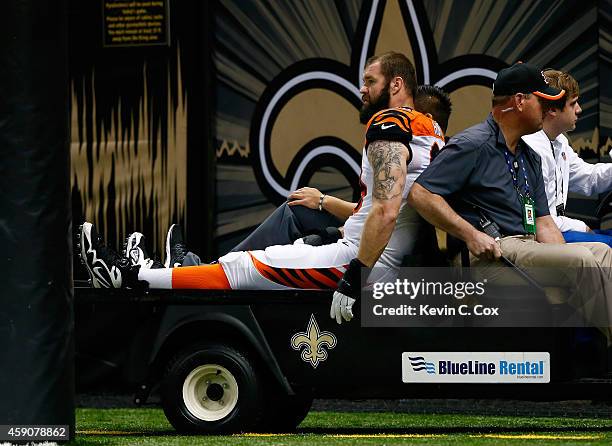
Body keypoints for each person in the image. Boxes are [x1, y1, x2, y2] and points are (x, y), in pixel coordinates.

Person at [79, 52, 445, 325]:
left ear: (396, 84)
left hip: (360, 262)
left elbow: (386, 210)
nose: (362, 90)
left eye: (370, 81)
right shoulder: (429, 129)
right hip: (366, 254)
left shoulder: (390, 123)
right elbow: (381, 210)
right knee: (272, 248)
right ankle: (164, 271)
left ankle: (133, 277)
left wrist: (353, 277)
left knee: (241, 267)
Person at [407, 62, 612, 341]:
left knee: (602, 253)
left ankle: (592, 352)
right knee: (584, 260)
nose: (548, 109)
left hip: (527, 248)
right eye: (542, 101)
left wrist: (559, 260)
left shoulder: (530, 156)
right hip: (490, 256)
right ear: (519, 102)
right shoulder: (474, 144)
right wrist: (470, 234)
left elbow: (544, 224)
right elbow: (420, 194)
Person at [521, 69, 612, 246]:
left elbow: (589, 178)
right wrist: (581, 226)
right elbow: (541, 220)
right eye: (573, 104)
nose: (579, 110)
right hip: (540, 237)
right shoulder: (531, 147)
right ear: (553, 109)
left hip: (560, 228)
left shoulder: (560, 141)